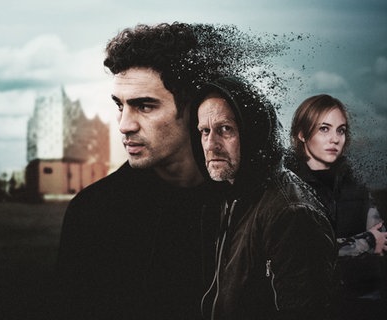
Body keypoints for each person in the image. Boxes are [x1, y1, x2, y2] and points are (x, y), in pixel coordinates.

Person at [55, 22, 209, 319]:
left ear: (195, 107)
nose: (125, 124)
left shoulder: (247, 201)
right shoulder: (93, 213)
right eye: (120, 105)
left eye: (145, 106)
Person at [195, 77, 336, 320]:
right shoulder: (233, 197)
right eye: (204, 131)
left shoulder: (291, 213)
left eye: (225, 129)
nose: (210, 144)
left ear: (253, 133)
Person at [285, 94, 387, 320]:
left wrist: (355, 245)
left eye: (340, 130)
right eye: (324, 129)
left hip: (364, 302)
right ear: (302, 134)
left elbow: (381, 238)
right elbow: (305, 253)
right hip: (310, 308)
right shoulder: (286, 189)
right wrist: (366, 241)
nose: (335, 139)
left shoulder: (356, 184)